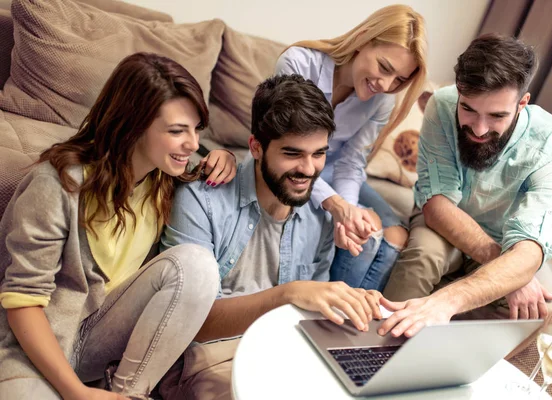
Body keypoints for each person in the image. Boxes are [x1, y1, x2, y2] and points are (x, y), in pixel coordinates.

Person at [0, 52, 238, 400]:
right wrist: (77, 392)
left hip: (99, 339)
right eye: (177, 131)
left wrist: (227, 156)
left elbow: (232, 162)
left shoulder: (164, 178)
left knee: (197, 264)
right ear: (134, 125)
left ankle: (127, 395)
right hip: (34, 348)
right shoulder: (56, 185)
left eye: (196, 130)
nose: (192, 143)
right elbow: (23, 304)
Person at [159, 74, 383, 399]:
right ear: (256, 147)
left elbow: (311, 310)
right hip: (211, 358)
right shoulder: (201, 200)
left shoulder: (318, 214)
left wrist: (354, 309)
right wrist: (287, 294)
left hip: (290, 351)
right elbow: (184, 319)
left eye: (319, 153)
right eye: (293, 154)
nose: (308, 169)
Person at [379, 34, 552, 339]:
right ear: (459, 92)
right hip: (444, 224)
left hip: (509, 242)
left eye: (497, 115)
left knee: (544, 310)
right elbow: (436, 207)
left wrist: (508, 274)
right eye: (469, 109)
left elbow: (528, 248)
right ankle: (377, 347)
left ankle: (449, 372)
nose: (479, 128)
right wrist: (509, 273)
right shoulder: (443, 104)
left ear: (522, 103)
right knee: (422, 255)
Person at [275, 4, 428, 291]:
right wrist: (337, 206)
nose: (385, 84)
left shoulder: (381, 100)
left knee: (394, 236)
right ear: (364, 38)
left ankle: (351, 320)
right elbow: (289, 153)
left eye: (399, 80)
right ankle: (332, 309)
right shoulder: (298, 65)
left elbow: (351, 161)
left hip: (334, 174)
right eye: (384, 67)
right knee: (368, 234)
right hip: (293, 170)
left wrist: (347, 208)